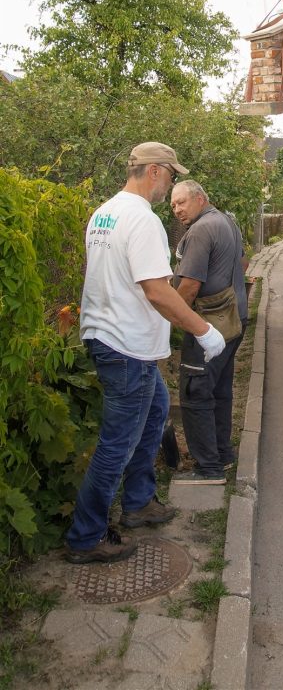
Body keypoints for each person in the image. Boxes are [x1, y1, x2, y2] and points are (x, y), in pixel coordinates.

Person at [64, 142, 227, 565]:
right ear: (154, 171)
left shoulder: (104, 213)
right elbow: (156, 290)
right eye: (170, 176)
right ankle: (85, 537)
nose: (170, 185)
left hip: (108, 337)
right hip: (127, 347)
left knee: (155, 412)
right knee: (116, 444)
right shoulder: (143, 220)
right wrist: (204, 330)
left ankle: (138, 503)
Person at [170, 180, 248, 485]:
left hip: (209, 325)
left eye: (182, 202)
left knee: (196, 391)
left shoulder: (200, 230)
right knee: (219, 390)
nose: (177, 210)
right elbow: (243, 262)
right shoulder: (227, 221)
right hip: (235, 320)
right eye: (173, 205)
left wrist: (173, 319)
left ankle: (208, 468)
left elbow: (189, 285)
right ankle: (222, 455)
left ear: (200, 199)